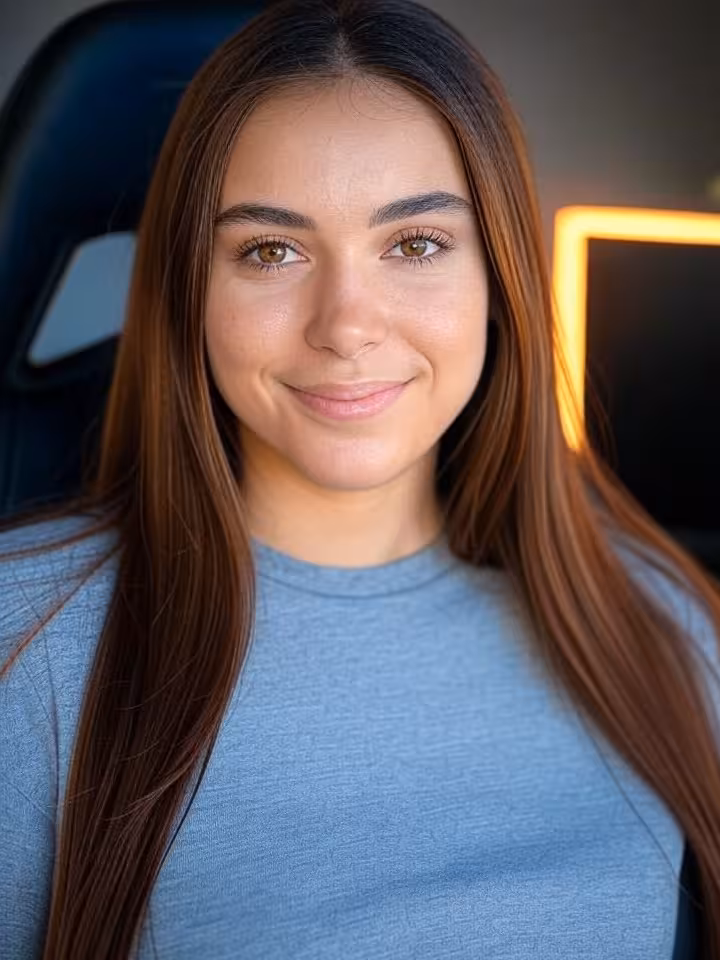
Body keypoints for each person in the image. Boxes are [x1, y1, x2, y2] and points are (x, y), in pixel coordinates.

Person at [1, 0, 719, 957]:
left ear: (499, 275)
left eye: (415, 244)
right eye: (271, 250)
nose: (345, 324)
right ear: (191, 292)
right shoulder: (25, 641)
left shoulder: (657, 620)